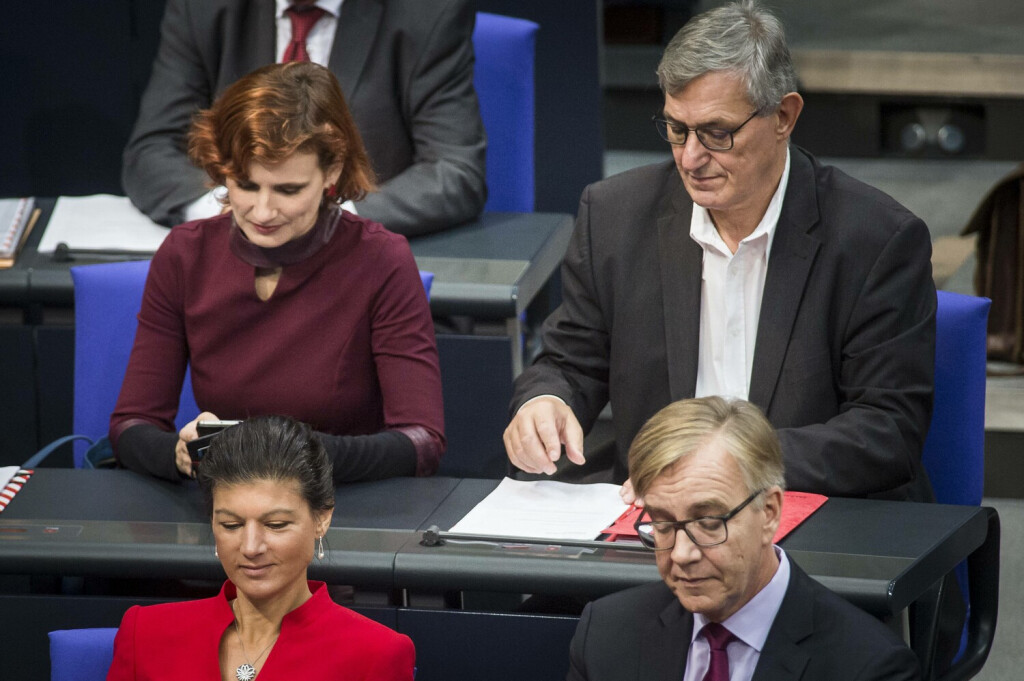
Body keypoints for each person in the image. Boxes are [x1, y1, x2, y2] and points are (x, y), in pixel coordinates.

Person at [504, 1, 937, 502]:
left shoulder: (876, 240)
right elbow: (571, 361)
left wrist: (728, 463)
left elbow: (887, 432)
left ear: (784, 116)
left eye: (717, 133)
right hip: (659, 529)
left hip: (810, 518)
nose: (691, 158)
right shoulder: (614, 217)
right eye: (676, 129)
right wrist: (545, 399)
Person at [110, 61, 445, 483]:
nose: (262, 211)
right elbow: (129, 426)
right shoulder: (184, 254)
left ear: (333, 171)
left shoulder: (381, 260)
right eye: (245, 185)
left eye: (288, 190)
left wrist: (294, 454)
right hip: (227, 506)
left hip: (344, 508)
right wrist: (178, 453)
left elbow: (422, 441)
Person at [566, 397, 921, 681]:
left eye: (707, 522)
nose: (681, 555)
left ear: (769, 513)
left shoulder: (869, 667)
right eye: (663, 524)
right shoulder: (606, 635)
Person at [123, 0, 486, 236]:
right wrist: (230, 210)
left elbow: (455, 170)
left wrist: (329, 219)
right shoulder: (202, 8)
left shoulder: (427, 13)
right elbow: (152, 149)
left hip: (360, 270)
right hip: (229, 266)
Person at [107, 415, 416, 680]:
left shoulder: (377, 654)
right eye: (231, 525)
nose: (251, 547)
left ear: (321, 518)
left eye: (276, 524)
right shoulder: (145, 633)